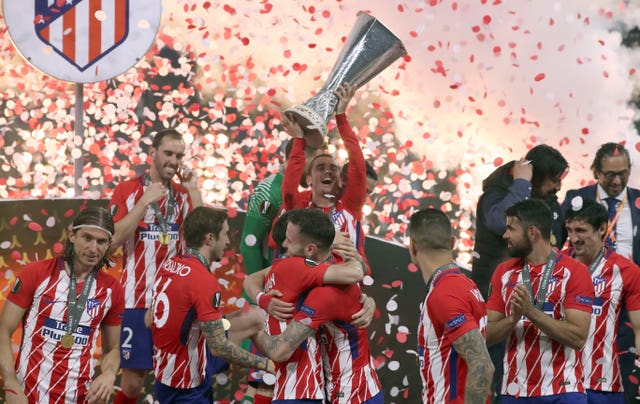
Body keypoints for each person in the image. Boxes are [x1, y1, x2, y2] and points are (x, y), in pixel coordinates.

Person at [108, 128, 203, 403]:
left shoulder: (184, 195)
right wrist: (143, 202)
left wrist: (195, 191)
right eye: (168, 153)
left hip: (174, 302)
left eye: (179, 155)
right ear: (152, 153)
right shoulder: (126, 191)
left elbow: (200, 241)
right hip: (135, 301)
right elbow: (113, 241)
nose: (174, 161)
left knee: (174, 377)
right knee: (132, 384)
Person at [149, 206, 275, 403]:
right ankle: (270, 380)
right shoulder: (204, 282)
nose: (227, 241)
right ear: (209, 238)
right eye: (224, 234)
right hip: (188, 385)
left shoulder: (169, 265)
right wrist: (265, 364)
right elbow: (219, 348)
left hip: (163, 373)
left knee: (256, 316)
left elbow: (150, 319)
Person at [243, 208, 370, 403]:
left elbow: (250, 279)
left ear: (310, 249)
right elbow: (356, 273)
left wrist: (254, 315)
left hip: (342, 391)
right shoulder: (294, 267)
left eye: (289, 241)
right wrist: (261, 305)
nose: (284, 245)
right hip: (318, 389)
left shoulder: (292, 269)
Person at [0, 207, 125, 403]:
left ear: (109, 244)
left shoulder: (112, 289)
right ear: (72, 236)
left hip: (81, 397)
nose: (93, 249)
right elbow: (3, 329)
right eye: (87, 238)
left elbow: (113, 349)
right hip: (29, 395)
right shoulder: (37, 273)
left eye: (101, 242)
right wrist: (10, 382)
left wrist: (109, 373)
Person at [486, 199, 594, 402]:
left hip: (563, 391)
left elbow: (578, 337)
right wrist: (511, 320)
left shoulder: (575, 272)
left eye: (511, 228)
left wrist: (531, 312)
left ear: (533, 232)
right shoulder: (503, 272)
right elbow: (486, 335)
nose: (505, 235)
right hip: (514, 392)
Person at [560, 142, 640, 403]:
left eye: (623, 173)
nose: (617, 181)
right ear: (596, 171)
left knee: (623, 364)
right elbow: (558, 245)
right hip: (583, 293)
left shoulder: (638, 201)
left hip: (627, 291)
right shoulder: (576, 196)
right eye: (609, 174)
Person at [408, 208, 493, 403]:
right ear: (453, 243)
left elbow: (482, 365)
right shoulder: (464, 284)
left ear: (412, 246)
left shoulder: (445, 293)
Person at [281, 83, 367, 259]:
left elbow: (357, 166)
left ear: (340, 180)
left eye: (333, 168)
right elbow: (289, 191)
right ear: (309, 179)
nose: (328, 171)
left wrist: (341, 116)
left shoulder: (350, 206)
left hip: (342, 284)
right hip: (308, 282)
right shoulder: (301, 210)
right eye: (320, 168)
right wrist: (299, 140)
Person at [472, 144, 569, 298]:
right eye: (554, 180)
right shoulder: (495, 194)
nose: (558, 187)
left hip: (534, 293)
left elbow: (556, 239)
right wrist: (522, 184)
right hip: (493, 291)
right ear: (535, 176)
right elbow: (500, 223)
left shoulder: (549, 201)